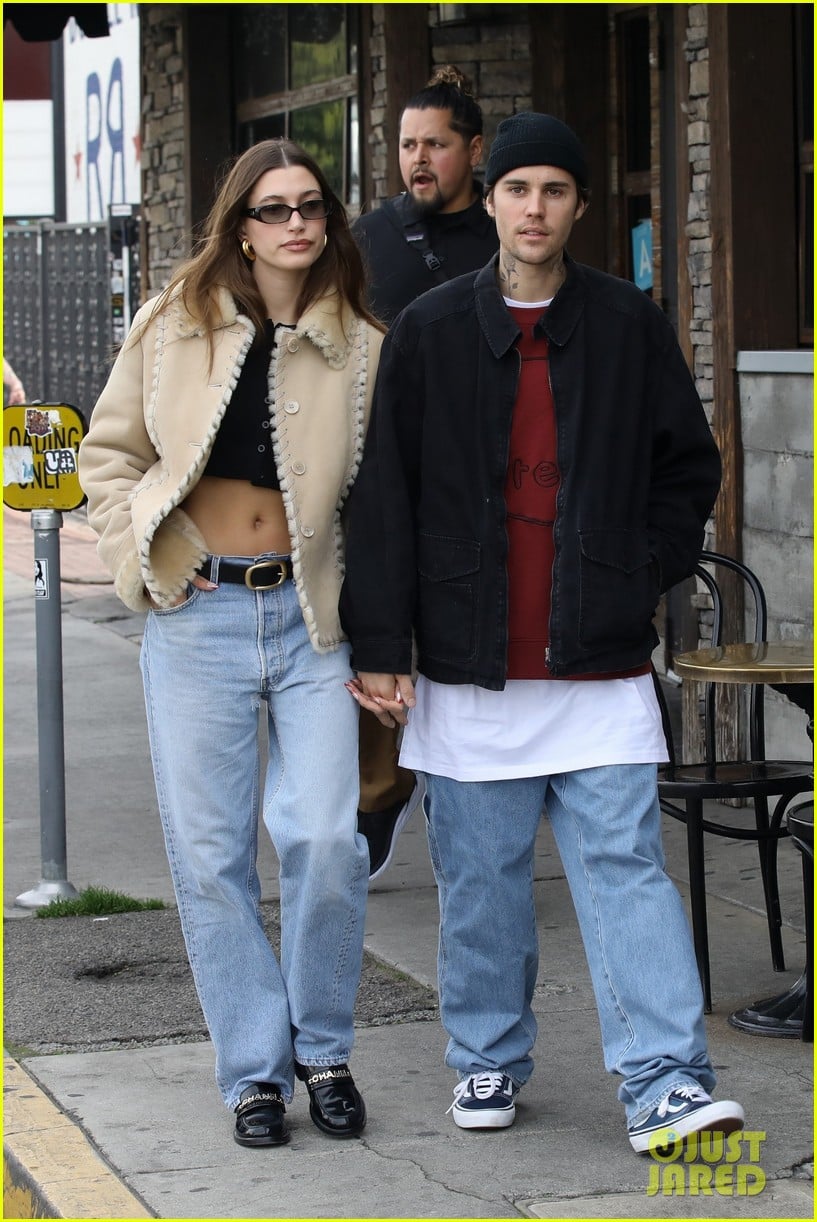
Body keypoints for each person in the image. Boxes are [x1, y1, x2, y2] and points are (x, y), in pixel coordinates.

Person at [340, 112, 745, 1153]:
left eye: (555, 191)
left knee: (623, 869)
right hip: (473, 664)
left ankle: (664, 1079)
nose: (534, 208)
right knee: (481, 885)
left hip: (595, 658)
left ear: (577, 206)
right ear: (493, 199)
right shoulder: (428, 329)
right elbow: (382, 495)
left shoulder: (626, 323)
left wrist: (631, 568)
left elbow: (686, 469)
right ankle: (485, 1057)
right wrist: (380, 641)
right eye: (518, 189)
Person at [79, 139, 385, 1149]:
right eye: (273, 208)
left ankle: (324, 1049)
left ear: (329, 222)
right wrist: (137, 559)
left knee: (327, 841)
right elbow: (111, 452)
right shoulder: (175, 324)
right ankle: (254, 1072)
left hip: (310, 621)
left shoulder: (362, 345)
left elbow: (381, 500)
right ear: (239, 225)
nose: (295, 222)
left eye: (310, 206)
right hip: (195, 610)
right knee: (211, 857)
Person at [351, 65, 499, 881]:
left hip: (480, 475)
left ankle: (457, 806)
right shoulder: (370, 236)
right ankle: (380, 790)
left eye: (434, 145)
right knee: (377, 627)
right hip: (381, 467)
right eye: (407, 144)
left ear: (471, 151)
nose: (418, 159)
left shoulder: (504, 234)